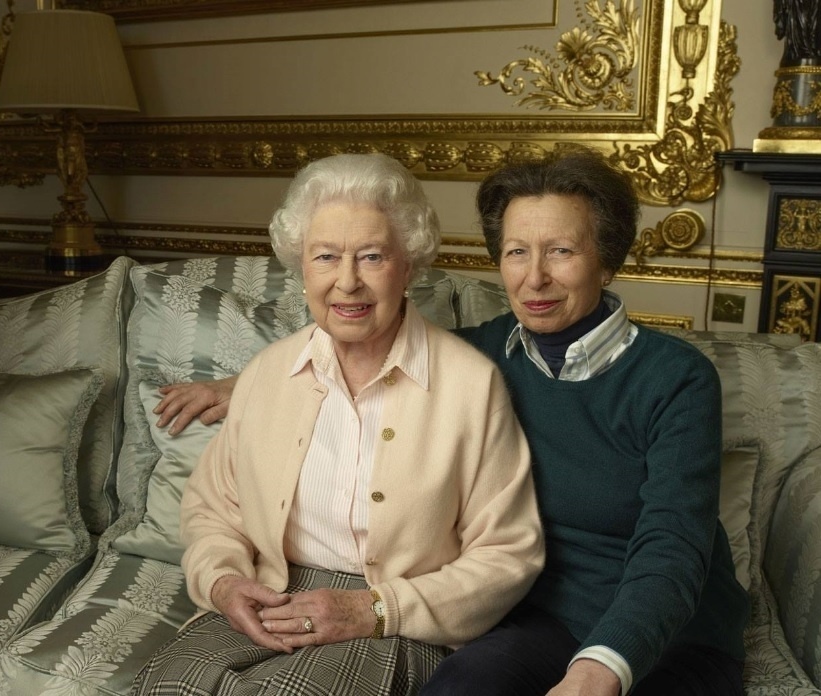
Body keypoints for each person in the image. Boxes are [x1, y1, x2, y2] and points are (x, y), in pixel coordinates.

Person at [152, 150, 750, 696]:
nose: (534, 277)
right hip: (539, 619)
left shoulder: (675, 379)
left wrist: (602, 668)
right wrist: (247, 385)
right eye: (517, 251)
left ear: (609, 259)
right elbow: (370, 349)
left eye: (562, 251)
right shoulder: (485, 352)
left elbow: (672, 548)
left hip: (663, 631)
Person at [132, 153, 545, 696]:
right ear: (302, 267)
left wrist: (373, 609)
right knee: (168, 687)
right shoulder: (267, 374)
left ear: (409, 265)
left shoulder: (471, 384)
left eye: (371, 257)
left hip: (397, 618)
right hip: (272, 593)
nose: (346, 283)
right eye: (325, 257)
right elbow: (213, 511)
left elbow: (508, 553)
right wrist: (226, 581)